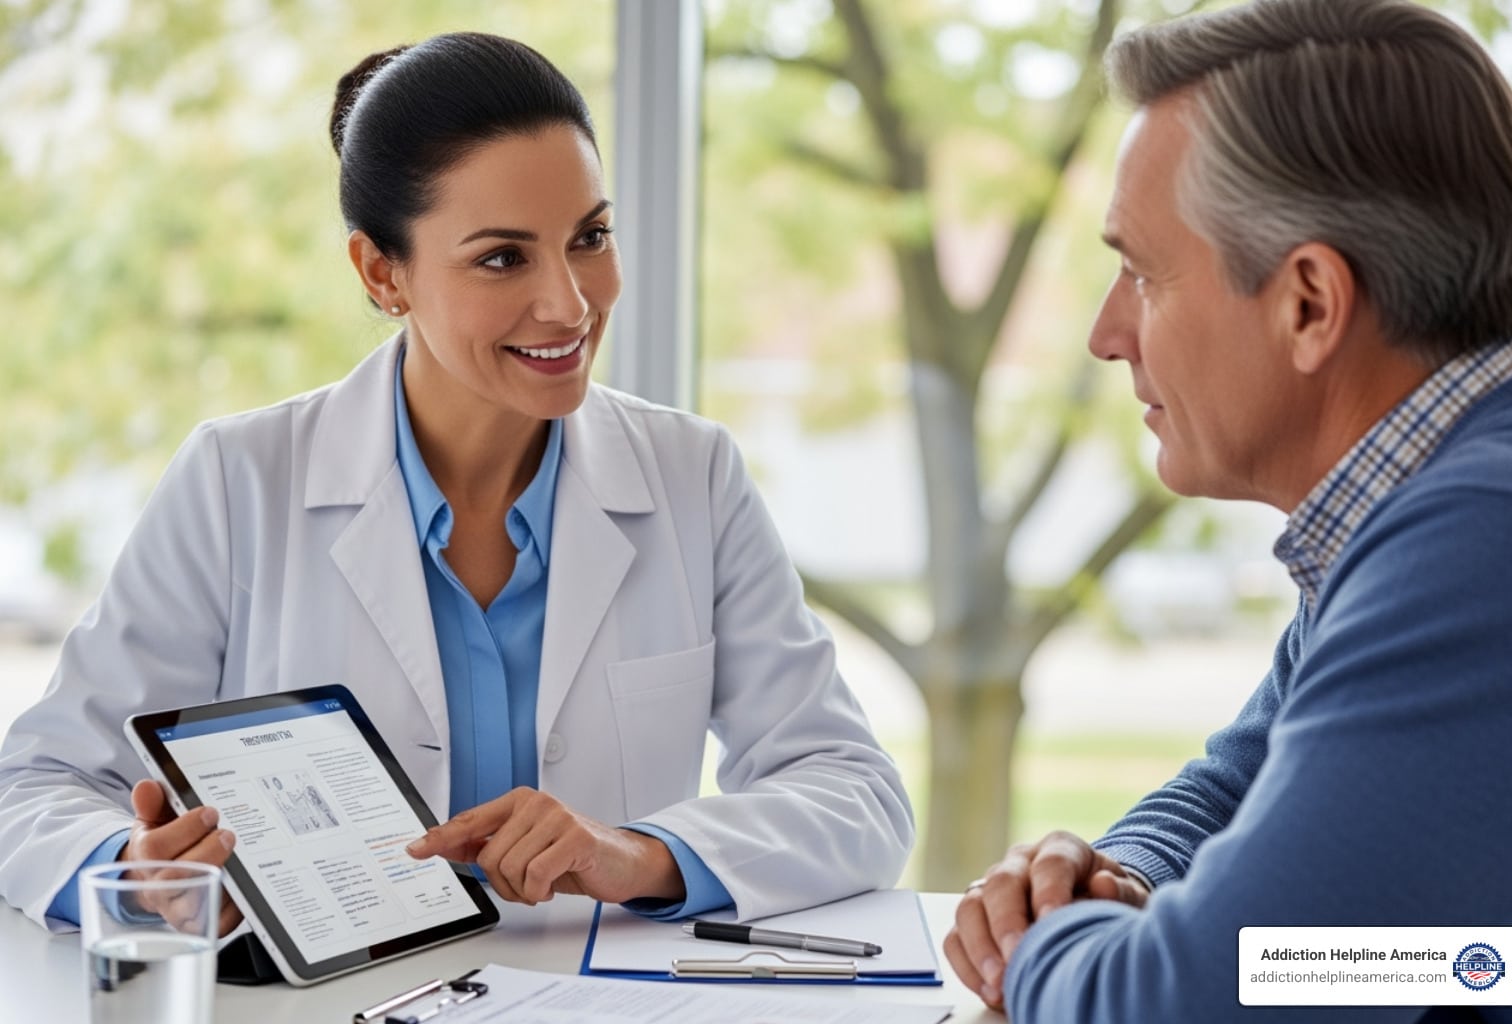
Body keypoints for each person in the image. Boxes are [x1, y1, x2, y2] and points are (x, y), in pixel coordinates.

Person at [0, 32, 913, 936]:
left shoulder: (692, 476)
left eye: (590, 237)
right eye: (502, 258)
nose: (569, 303)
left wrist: (634, 853)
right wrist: (133, 867)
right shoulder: (239, 482)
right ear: (381, 272)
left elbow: (853, 793)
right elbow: (36, 789)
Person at [944, 1, 1512, 1020]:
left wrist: (1044, 947)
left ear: (1308, 301)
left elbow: (1187, 1000)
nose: (1105, 333)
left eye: (1140, 272)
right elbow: (1239, 786)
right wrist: (1111, 876)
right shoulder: (1431, 486)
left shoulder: (1490, 534)